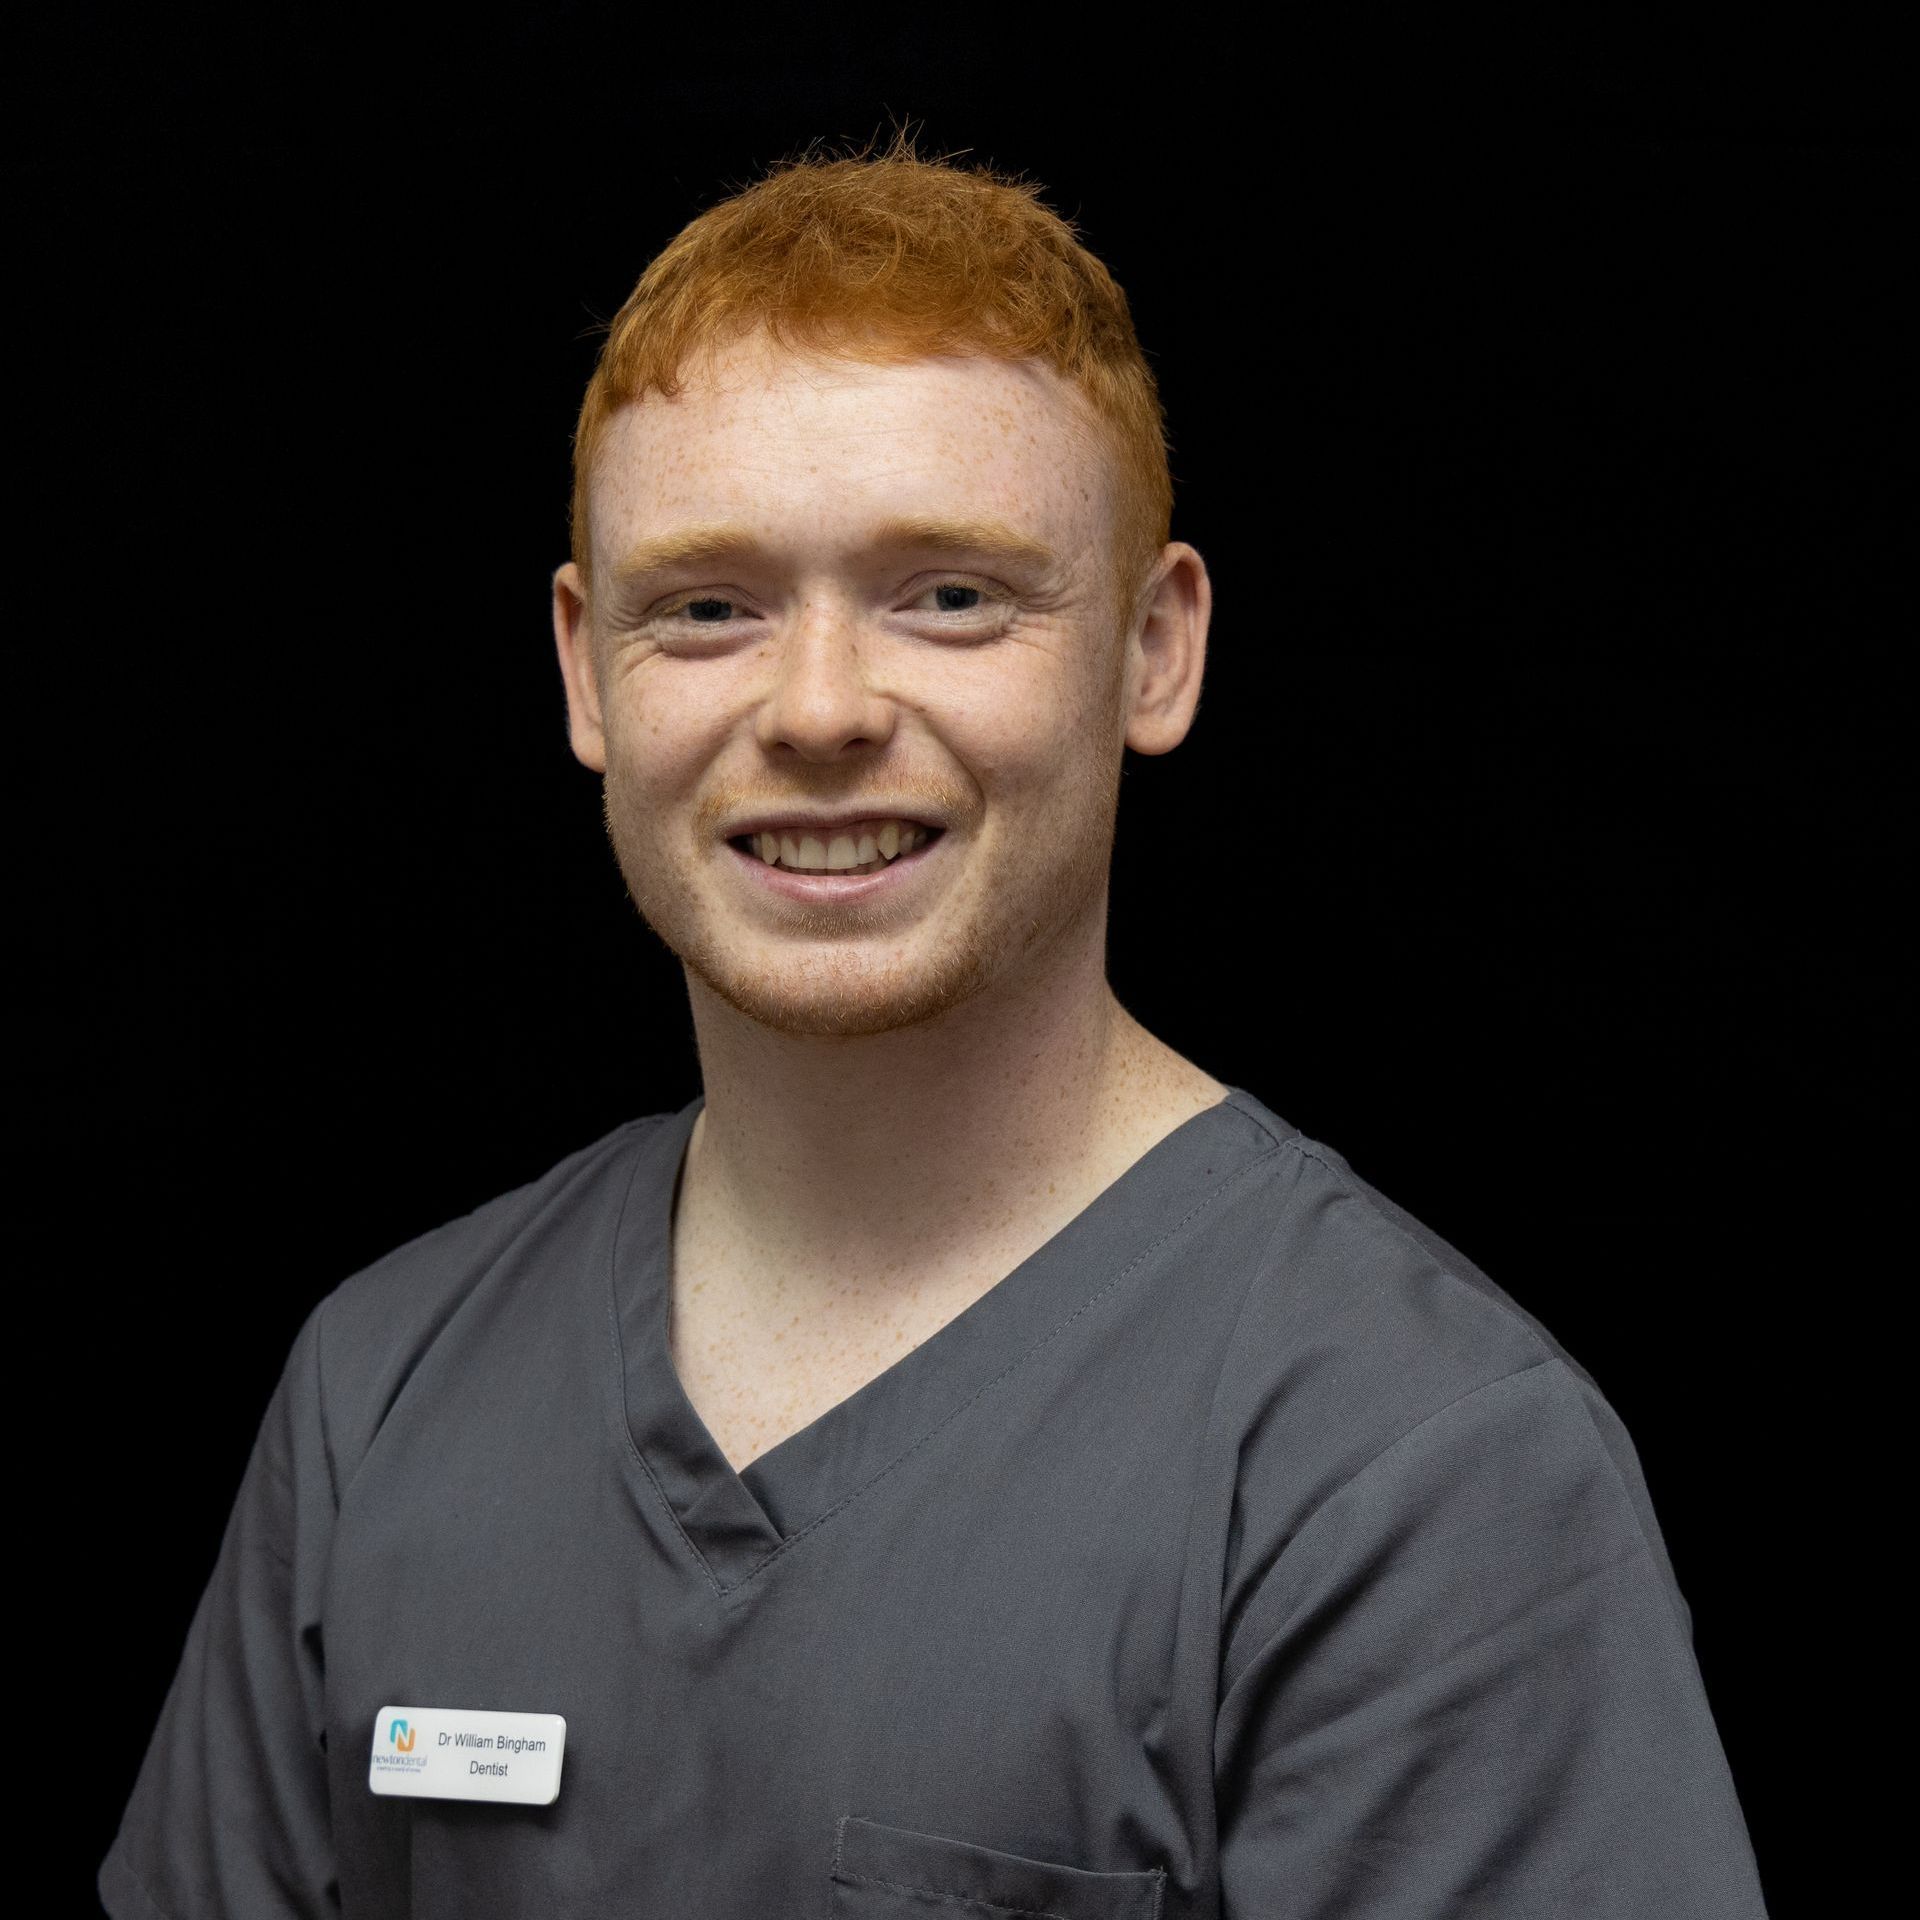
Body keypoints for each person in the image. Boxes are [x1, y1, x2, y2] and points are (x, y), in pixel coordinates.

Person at [99, 134, 1770, 1918]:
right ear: (588, 672)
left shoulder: (1418, 1471)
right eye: (711, 607)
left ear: (1153, 649)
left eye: (952, 595)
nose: (818, 709)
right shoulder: (382, 1396)